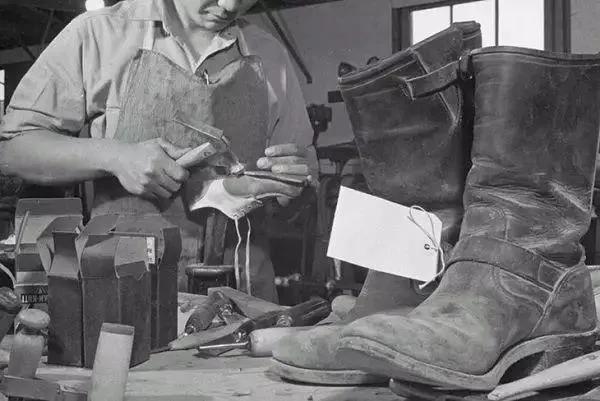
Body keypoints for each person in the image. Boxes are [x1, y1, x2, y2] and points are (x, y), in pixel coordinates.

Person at [0, 0, 316, 302]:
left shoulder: (271, 55)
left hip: (245, 294)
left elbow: (302, 187)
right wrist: (115, 157)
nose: (230, 5)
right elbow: (14, 149)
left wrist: (292, 184)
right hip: (127, 290)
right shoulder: (102, 34)